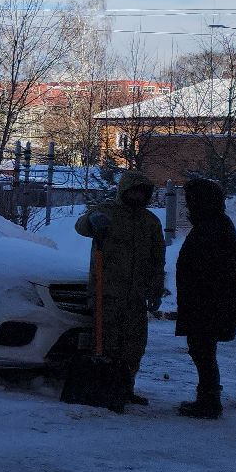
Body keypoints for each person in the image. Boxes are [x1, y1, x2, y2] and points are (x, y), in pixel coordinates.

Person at [75, 170, 166, 405]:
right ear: (124, 191)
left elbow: (157, 259)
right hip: (107, 293)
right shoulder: (107, 212)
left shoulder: (150, 222)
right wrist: (91, 221)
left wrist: (156, 289)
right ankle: (106, 388)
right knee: (106, 343)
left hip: (135, 296)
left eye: (142, 193)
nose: (137, 196)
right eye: (133, 191)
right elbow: (81, 226)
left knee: (133, 345)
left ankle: (126, 388)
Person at [173, 178, 236, 419]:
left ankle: (209, 400)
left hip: (207, 303)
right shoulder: (213, 224)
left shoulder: (212, 227)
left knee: (203, 351)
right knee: (202, 350)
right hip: (206, 302)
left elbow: (208, 269)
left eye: (190, 200)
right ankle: (208, 397)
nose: (187, 205)